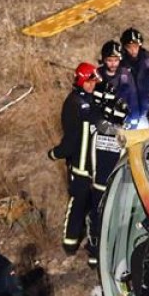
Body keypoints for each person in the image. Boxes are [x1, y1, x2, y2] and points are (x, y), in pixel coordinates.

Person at [48, 62, 101, 256]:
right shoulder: (73, 104)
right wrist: (56, 153)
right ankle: (70, 243)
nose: (92, 84)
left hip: (93, 162)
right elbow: (71, 138)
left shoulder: (90, 99)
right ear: (81, 81)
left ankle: (89, 240)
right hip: (80, 164)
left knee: (92, 203)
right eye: (89, 81)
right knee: (78, 202)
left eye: (93, 81)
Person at [86, 97, 127, 268]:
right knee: (114, 221)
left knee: (96, 218)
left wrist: (93, 176)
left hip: (98, 184)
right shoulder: (123, 137)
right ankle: (111, 255)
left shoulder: (95, 132)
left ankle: (94, 255)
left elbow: (90, 157)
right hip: (114, 187)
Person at [120, 28, 149, 123]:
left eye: (135, 46)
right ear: (124, 47)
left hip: (148, 105)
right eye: (129, 47)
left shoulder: (148, 58)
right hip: (129, 107)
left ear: (140, 45)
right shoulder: (120, 62)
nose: (133, 50)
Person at [96, 40, 138, 119]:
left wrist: (134, 118)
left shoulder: (125, 74)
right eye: (109, 60)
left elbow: (133, 97)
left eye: (116, 60)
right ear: (104, 60)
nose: (113, 64)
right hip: (104, 117)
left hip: (123, 116)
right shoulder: (98, 74)